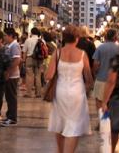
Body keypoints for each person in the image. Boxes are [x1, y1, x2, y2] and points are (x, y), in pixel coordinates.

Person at [46, 25, 93, 153]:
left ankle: (60, 151)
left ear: (64, 38)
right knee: (74, 125)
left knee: (60, 122)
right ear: (77, 38)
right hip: (77, 92)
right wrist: (87, 90)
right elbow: (89, 78)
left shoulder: (58, 52)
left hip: (60, 91)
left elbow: (48, 75)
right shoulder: (83, 54)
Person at [0, 28, 22, 126]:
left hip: (12, 76)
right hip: (9, 75)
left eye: (5, 35)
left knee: (11, 97)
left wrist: (8, 72)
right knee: (8, 97)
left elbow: (16, 61)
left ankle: (12, 118)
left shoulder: (15, 45)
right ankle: (9, 116)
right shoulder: (8, 46)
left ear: (10, 36)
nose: (4, 37)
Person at [93, 29, 119, 109]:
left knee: (99, 103)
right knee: (113, 104)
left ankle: (102, 120)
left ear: (105, 37)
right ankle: (111, 119)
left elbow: (96, 64)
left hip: (101, 78)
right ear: (115, 38)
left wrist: (95, 73)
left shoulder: (100, 48)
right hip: (116, 81)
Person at [23, 27, 44, 98]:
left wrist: (23, 60)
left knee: (29, 76)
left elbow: (24, 51)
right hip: (39, 60)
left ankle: (28, 93)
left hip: (30, 58)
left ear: (31, 33)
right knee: (38, 76)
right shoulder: (42, 41)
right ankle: (38, 93)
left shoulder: (28, 40)